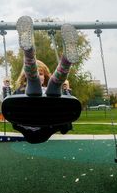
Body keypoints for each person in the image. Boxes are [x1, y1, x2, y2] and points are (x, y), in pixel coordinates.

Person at [12, 15, 79, 143]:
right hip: (40, 122)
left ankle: (29, 51)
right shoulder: (21, 91)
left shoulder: (42, 90)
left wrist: (66, 90)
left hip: (41, 122)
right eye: (38, 73)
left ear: (46, 75)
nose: (40, 76)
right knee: (48, 86)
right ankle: (65, 60)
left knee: (52, 86)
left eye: (41, 74)